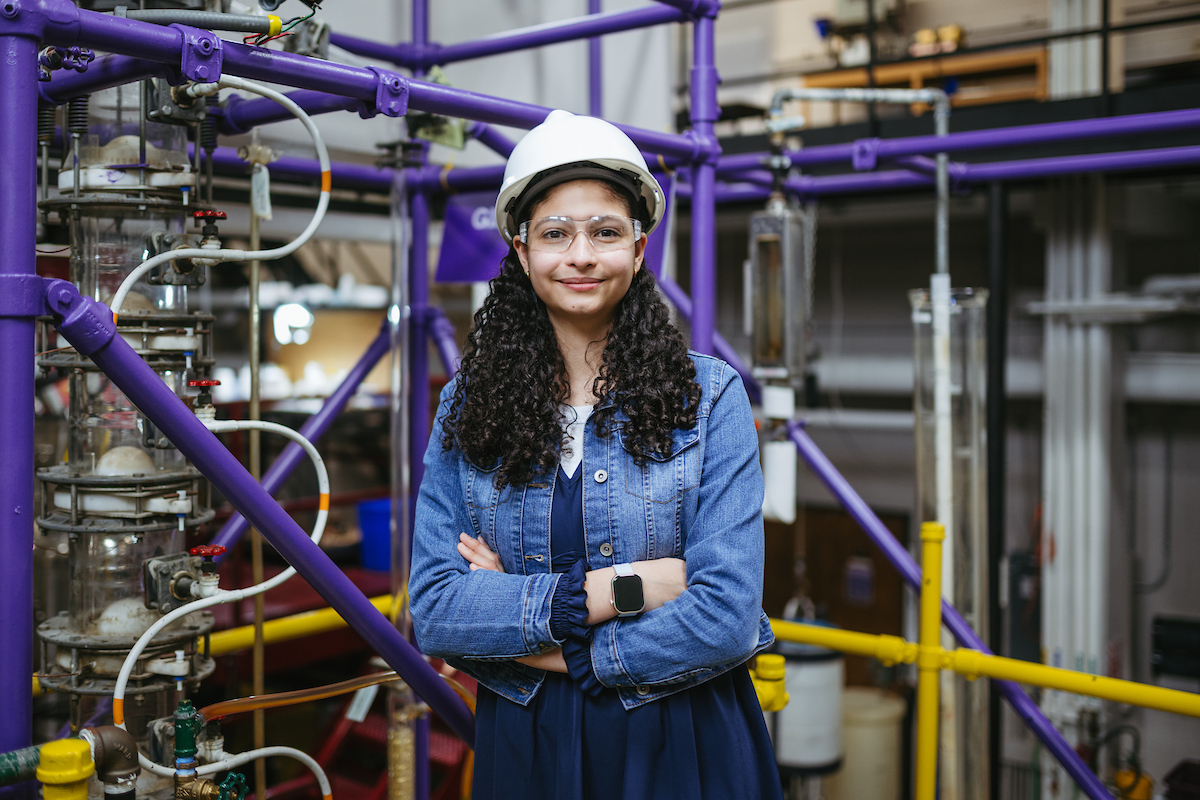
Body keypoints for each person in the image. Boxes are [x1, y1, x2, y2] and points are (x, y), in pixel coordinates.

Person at [410, 109, 782, 800]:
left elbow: (727, 617)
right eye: (556, 234)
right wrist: (629, 589)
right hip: (529, 746)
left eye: (605, 233)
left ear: (639, 251)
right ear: (521, 252)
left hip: (684, 738)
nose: (581, 254)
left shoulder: (710, 395)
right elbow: (436, 611)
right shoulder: (467, 405)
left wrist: (529, 628)